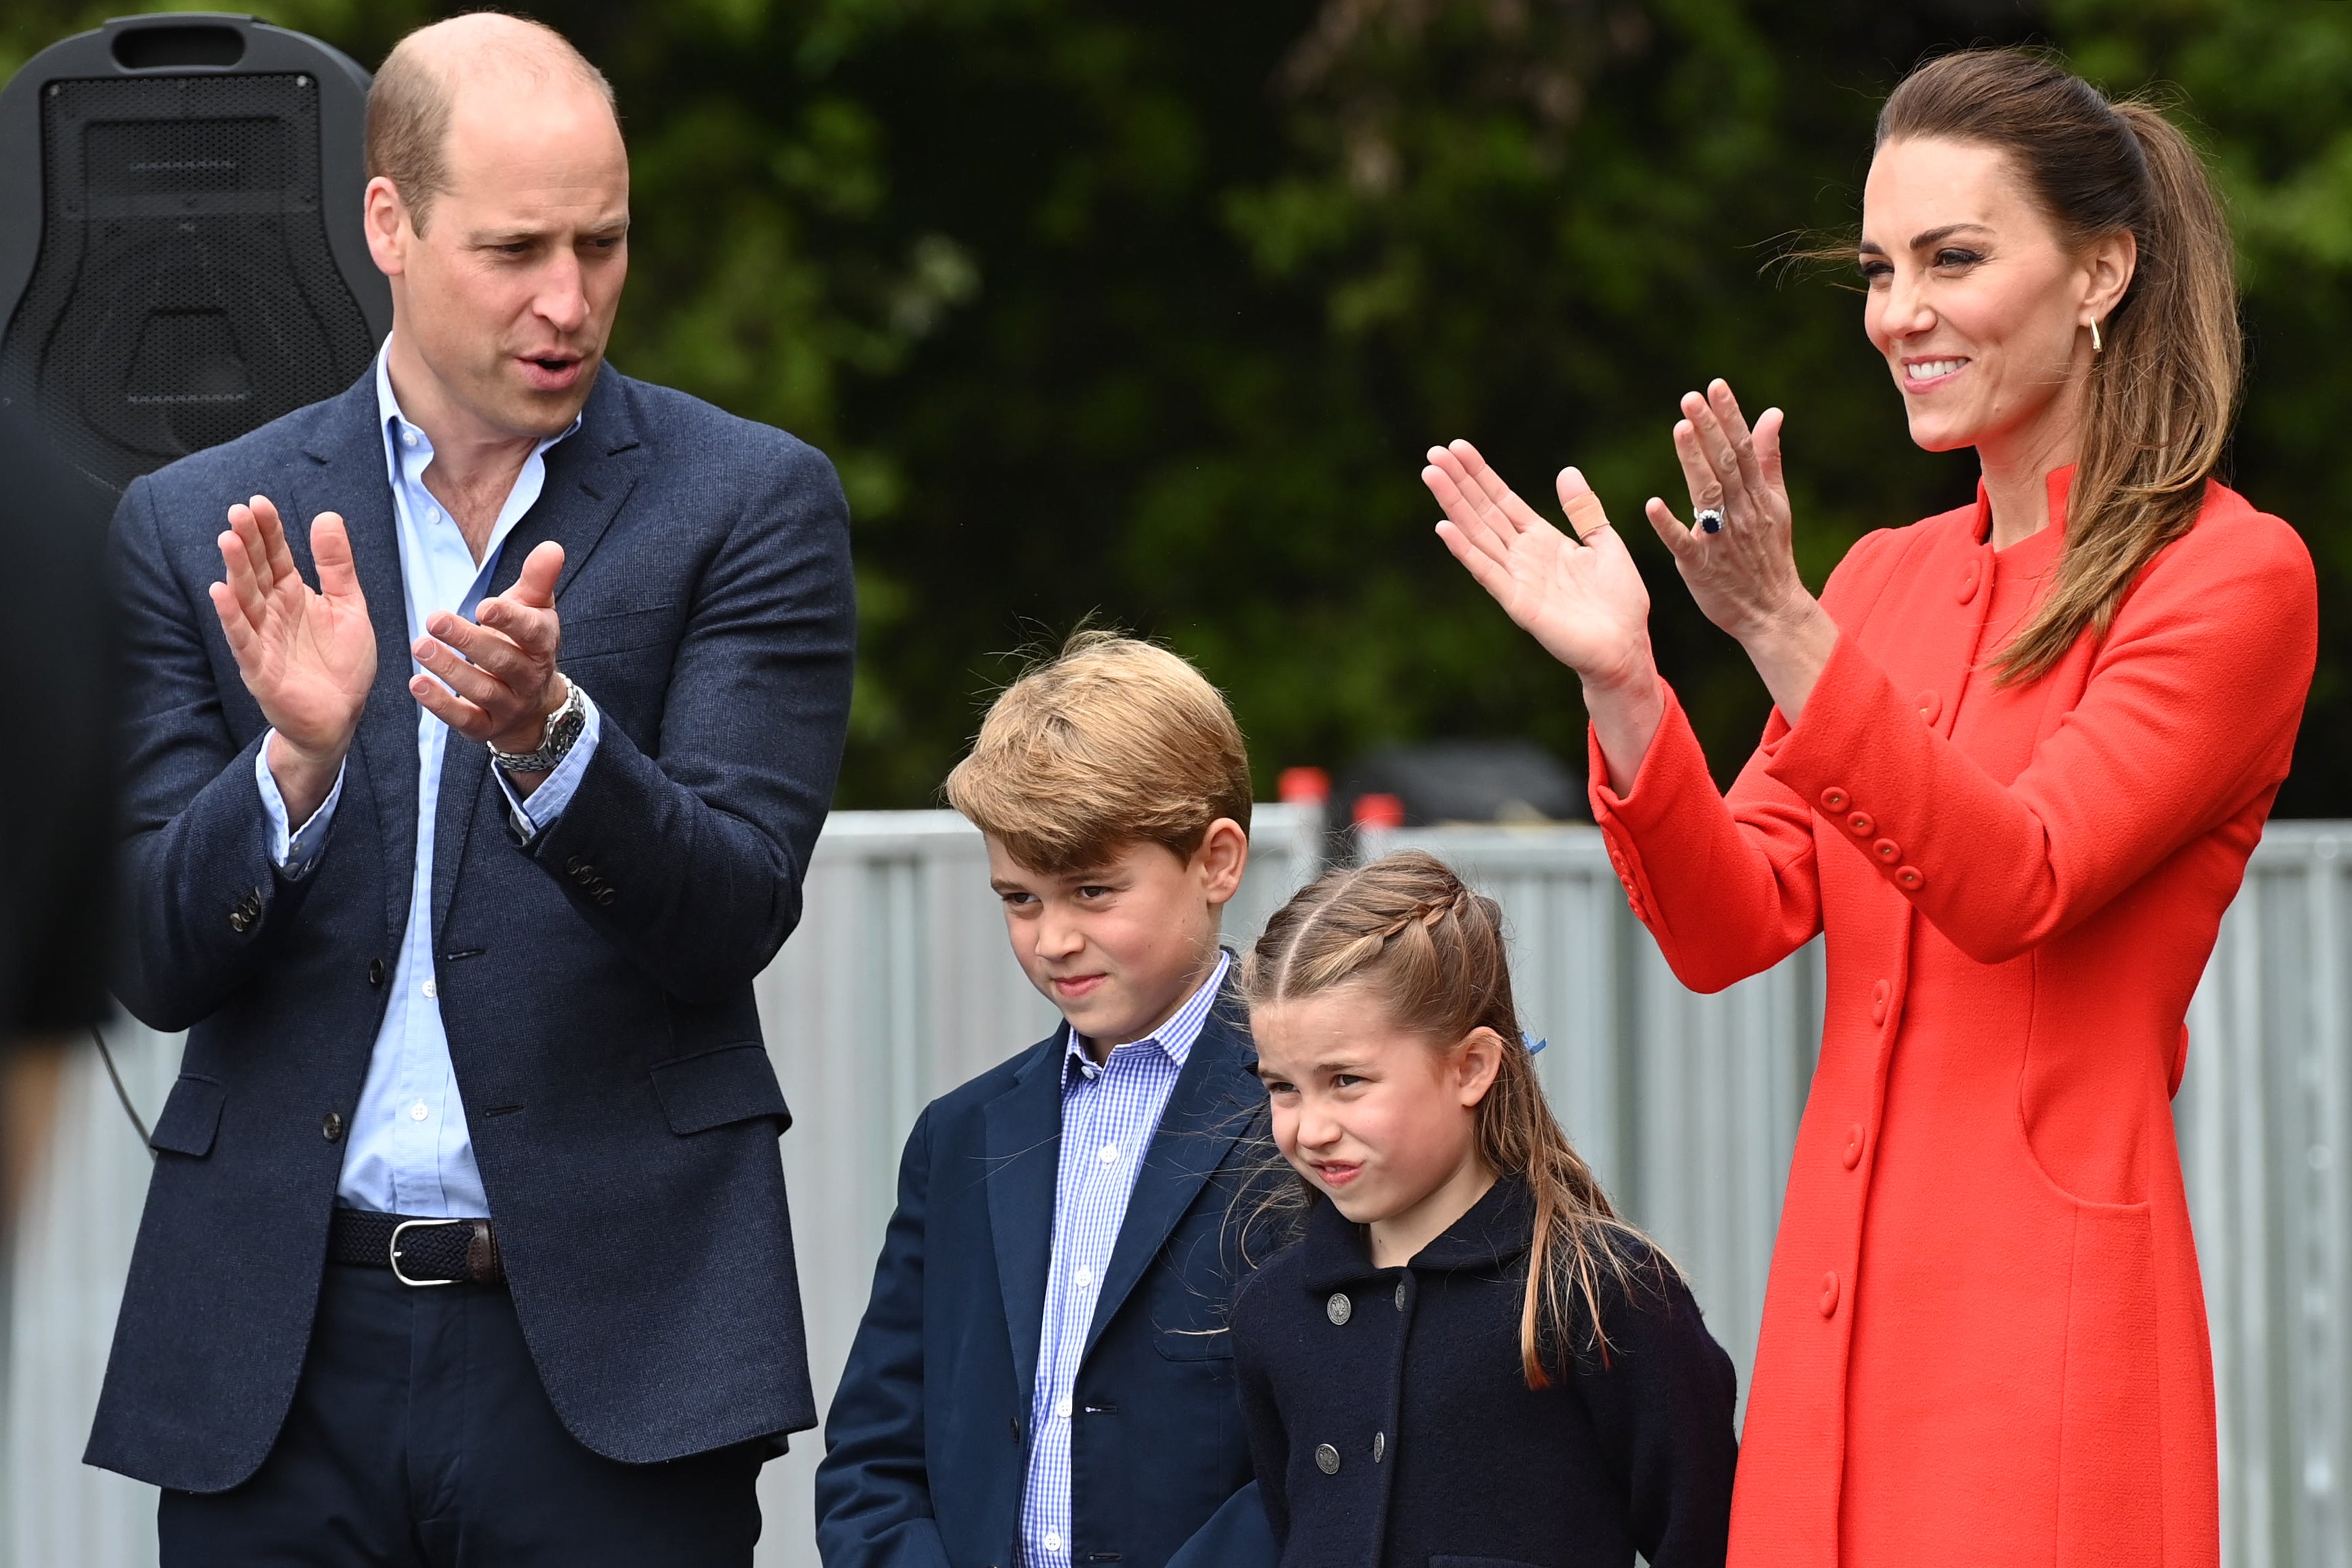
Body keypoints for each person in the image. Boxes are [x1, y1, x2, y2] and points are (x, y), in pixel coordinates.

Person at [1423, 46, 2316, 1568]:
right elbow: (1731, 922)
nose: (1897, 311)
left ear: (2103, 270)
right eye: (1880, 267)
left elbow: (2022, 877)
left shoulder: (2230, 575)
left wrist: (1780, 630)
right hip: (1836, 1334)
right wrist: (1628, 683)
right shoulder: (1886, 578)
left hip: (2049, 1348)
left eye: (1952, 259)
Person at [85, 16, 855, 1563]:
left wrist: (553, 743)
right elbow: (153, 957)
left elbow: (731, 913)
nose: (566, 300)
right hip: (279, 1362)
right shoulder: (195, 526)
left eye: (602, 241)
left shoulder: (749, 502)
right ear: (388, 222)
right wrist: (292, 762)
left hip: (616, 1360)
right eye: (514, 250)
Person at [816, 633, 1280, 1568]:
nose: (1054, 938)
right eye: (1019, 899)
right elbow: (874, 1454)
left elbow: (1340, 1452)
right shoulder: (960, 1138)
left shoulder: (1310, 1119)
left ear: (1217, 862)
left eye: (1094, 891)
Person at [1230, 850, 1738, 1567]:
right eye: (1283, 1087)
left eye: (1346, 1080)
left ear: (1471, 1066)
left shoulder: (1602, 1293)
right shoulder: (1271, 1312)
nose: (1309, 1127)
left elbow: (1715, 1540)